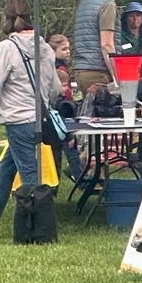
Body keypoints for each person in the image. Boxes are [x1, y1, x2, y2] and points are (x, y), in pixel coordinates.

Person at [0, 0, 61, 240]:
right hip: (38, 119)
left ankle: (40, 233)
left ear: (5, 20)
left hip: (17, 122)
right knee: (6, 171)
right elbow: (55, 88)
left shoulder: (6, 49)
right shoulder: (45, 49)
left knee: (30, 181)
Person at [71, 0, 122, 95]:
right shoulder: (107, 4)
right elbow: (106, 44)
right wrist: (117, 78)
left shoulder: (84, 2)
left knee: (89, 114)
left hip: (81, 70)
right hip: (98, 72)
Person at [47, 33, 83, 180]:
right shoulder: (59, 69)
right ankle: (79, 176)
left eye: (68, 48)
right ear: (53, 51)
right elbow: (63, 93)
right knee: (70, 146)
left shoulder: (51, 65)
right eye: (63, 49)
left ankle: (53, 182)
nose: (68, 51)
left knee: (55, 151)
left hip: (53, 112)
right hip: (61, 112)